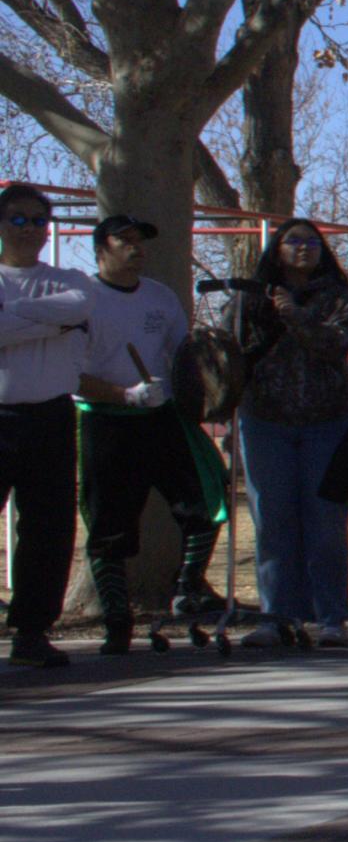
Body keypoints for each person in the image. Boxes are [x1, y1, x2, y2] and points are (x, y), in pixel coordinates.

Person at [77, 215, 223, 649]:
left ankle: (188, 588)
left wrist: (209, 385)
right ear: (102, 248)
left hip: (162, 419)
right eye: (126, 240)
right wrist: (124, 395)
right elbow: (70, 371)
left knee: (206, 500)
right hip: (106, 421)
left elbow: (186, 355)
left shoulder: (160, 297)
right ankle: (117, 621)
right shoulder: (82, 299)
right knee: (109, 527)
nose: (137, 248)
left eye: (141, 240)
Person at [228, 218, 348, 645]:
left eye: (312, 241)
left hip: (328, 422)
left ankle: (330, 617)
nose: (304, 247)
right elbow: (230, 351)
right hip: (266, 421)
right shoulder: (251, 297)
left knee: (325, 522)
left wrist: (296, 316)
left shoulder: (340, 297)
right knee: (273, 520)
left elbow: (338, 343)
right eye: (294, 240)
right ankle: (276, 616)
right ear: (276, 248)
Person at [0, 182, 91, 667]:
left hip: (51, 416)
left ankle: (31, 631)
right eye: (19, 219)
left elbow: (81, 307)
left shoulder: (68, 278)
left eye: (39, 220)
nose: (31, 229)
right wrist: (49, 324)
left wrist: (12, 320)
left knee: (49, 528)